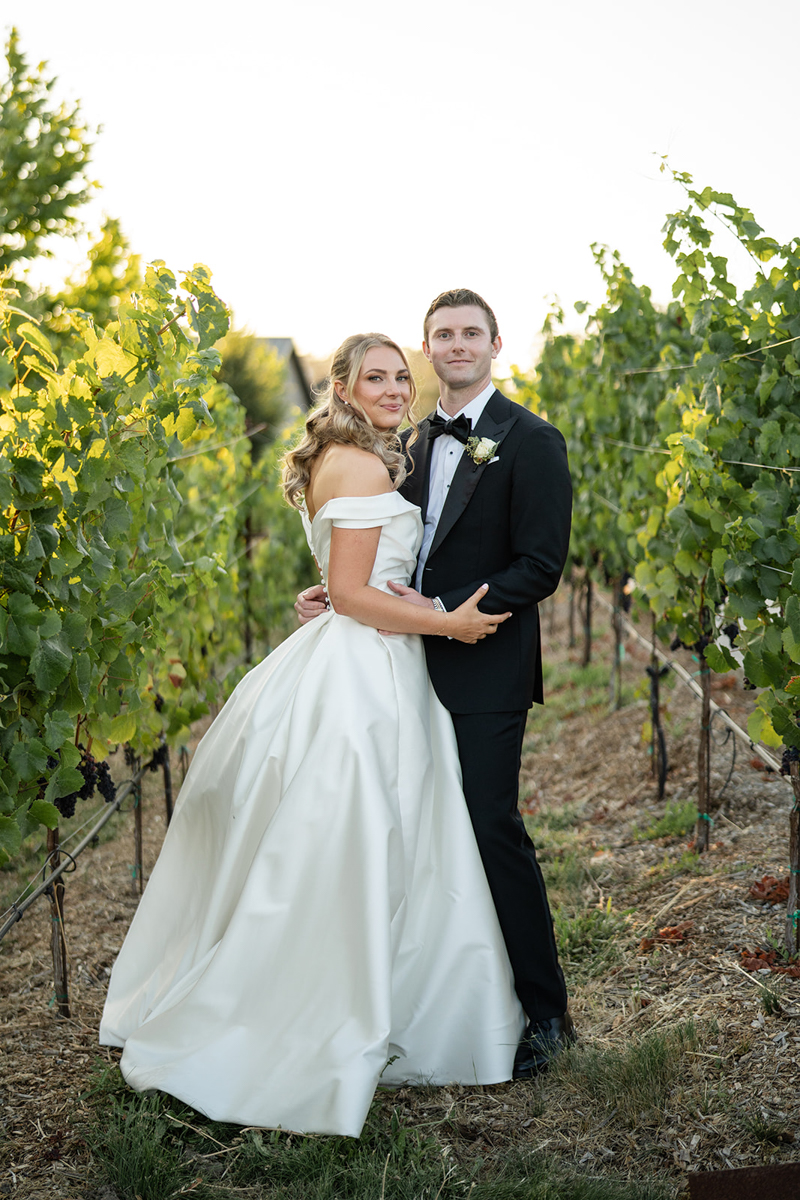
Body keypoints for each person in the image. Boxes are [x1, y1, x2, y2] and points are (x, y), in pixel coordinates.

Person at [99, 332, 526, 1139]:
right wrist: (450, 621)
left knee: (361, 833)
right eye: (378, 377)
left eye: (404, 376)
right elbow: (355, 595)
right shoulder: (362, 465)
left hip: (350, 652)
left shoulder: (341, 455)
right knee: (366, 830)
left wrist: (347, 591)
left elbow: (344, 581)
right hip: (366, 671)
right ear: (342, 385)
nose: (397, 389)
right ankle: (331, 1013)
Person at [296, 291, 574, 1078]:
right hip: (398, 669)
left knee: (490, 828)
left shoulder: (532, 439)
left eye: (470, 333)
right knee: (413, 832)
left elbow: (540, 566)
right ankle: (428, 997)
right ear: (429, 346)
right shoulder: (406, 443)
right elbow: (382, 549)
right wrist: (336, 591)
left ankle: (547, 1013)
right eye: (443, 334)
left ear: (493, 343)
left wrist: (449, 612)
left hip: (482, 662)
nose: (456, 345)